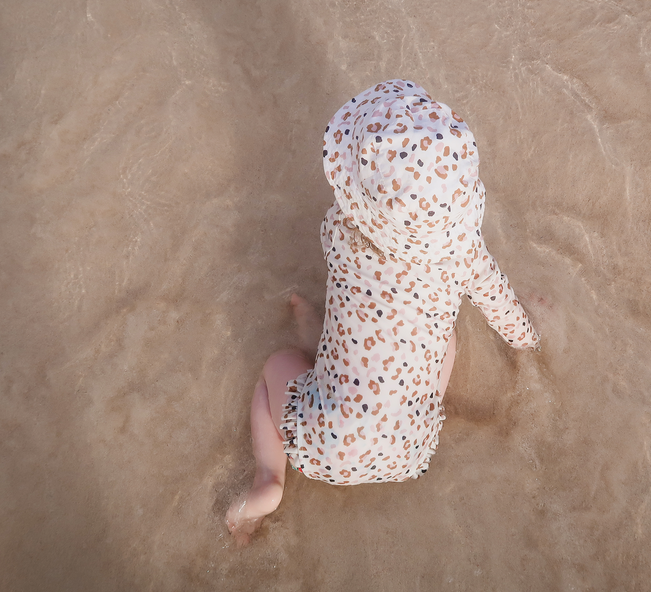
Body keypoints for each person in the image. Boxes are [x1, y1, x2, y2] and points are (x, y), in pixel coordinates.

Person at [226, 79, 539, 546]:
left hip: (323, 441)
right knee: (444, 338)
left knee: (277, 366)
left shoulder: (341, 234)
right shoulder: (466, 254)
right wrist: (530, 337)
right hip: (410, 449)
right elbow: (506, 315)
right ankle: (386, 387)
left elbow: (352, 302)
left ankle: (268, 479)